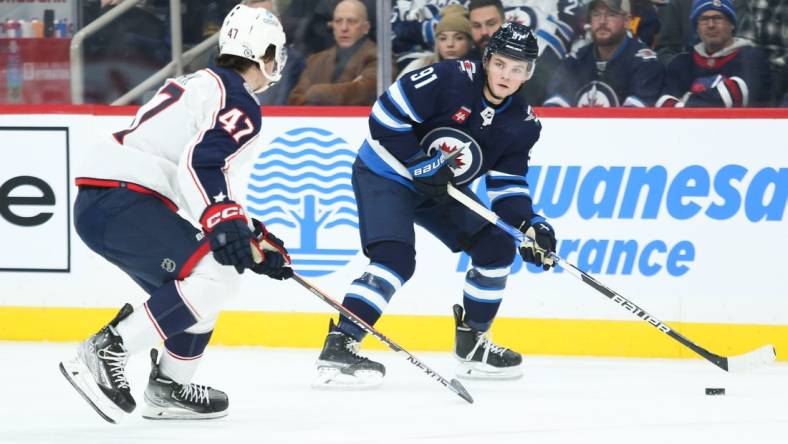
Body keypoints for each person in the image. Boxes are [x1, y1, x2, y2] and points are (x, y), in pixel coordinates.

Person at [59, 4, 293, 423]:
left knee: (202, 289)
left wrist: (249, 233)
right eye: (276, 53)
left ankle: (168, 386)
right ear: (265, 53)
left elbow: (191, 175)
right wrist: (225, 220)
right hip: (124, 200)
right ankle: (108, 348)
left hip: (110, 202)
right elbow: (199, 165)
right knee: (217, 277)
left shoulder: (202, 84)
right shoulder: (238, 99)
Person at [313, 23, 557, 388]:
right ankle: (340, 346)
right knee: (395, 259)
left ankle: (472, 345)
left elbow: (507, 185)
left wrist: (530, 225)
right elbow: (384, 115)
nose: (508, 75)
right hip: (387, 172)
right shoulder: (448, 78)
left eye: (518, 69)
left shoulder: (522, 124)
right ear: (488, 59)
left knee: (496, 246)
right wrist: (416, 161)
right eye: (502, 64)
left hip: (441, 189)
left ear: (528, 74)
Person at [543, 0, 664, 107]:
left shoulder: (644, 63)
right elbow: (555, 106)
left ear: (627, 21)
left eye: (611, 14)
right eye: (596, 14)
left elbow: (633, 120)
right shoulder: (576, 60)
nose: (602, 21)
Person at [657, 0, 772, 107]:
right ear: (697, 28)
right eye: (704, 19)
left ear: (732, 24)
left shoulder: (752, 57)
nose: (711, 25)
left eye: (718, 18)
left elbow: (733, 95)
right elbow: (664, 101)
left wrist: (684, 101)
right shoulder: (683, 62)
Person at [287, 0, 378, 106]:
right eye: (338, 21)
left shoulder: (379, 58)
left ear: (366, 27)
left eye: (352, 21)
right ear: (332, 25)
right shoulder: (315, 60)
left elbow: (364, 92)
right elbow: (294, 100)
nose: (344, 28)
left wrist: (315, 92)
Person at [397, 5, 474, 78]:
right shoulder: (418, 67)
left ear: (470, 41)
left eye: (459, 38)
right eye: (443, 38)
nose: (450, 44)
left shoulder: (481, 70)